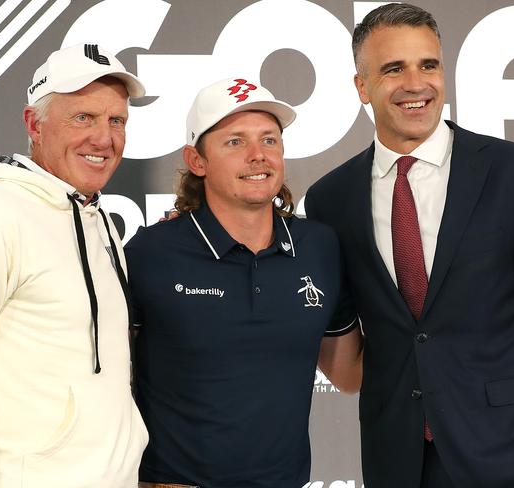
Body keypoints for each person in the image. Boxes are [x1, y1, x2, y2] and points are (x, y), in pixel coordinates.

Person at [305, 3, 514, 488]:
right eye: (393, 69)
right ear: (361, 86)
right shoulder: (330, 198)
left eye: (428, 64)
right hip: (397, 462)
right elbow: (343, 335)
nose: (416, 83)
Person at [0, 44, 148, 488]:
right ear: (34, 125)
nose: (104, 138)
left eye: (115, 120)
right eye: (83, 117)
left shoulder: (97, 220)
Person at [124, 78, 361, 488]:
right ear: (197, 161)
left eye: (269, 140)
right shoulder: (152, 253)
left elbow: (349, 374)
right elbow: (104, 379)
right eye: (235, 142)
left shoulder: (318, 246)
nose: (258, 156)